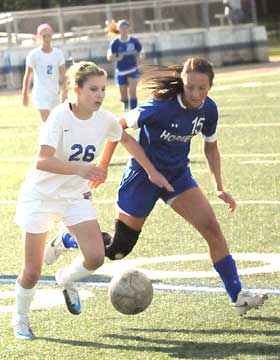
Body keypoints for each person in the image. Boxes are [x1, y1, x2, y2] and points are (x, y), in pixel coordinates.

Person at [44, 57, 268, 317]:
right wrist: (103, 166)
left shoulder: (209, 110)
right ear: (182, 83)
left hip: (177, 178)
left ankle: (237, 296)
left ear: (210, 87)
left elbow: (211, 146)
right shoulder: (159, 107)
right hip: (142, 178)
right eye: (190, 87)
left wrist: (219, 186)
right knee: (118, 250)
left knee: (212, 229)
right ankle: (68, 238)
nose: (195, 93)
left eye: (202, 88)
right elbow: (118, 127)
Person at [12, 61, 173, 341]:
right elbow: (42, 160)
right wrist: (81, 169)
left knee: (97, 257)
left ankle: (66, 279)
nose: (99, 95)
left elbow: (128, 140)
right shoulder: (60, 117)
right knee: (33, 269)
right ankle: (21, 319)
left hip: (74, 195)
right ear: (76, 89)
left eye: (103, 89)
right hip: (41, 196)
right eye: (93, 89)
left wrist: (151, 171)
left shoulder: (105, 119)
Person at [22, 23, 67, 122]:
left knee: (57, 123)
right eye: (44, 36)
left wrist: (65, 91)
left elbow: (64, 74)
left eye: (49, 35)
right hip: (40, 94)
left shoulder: (58, 54)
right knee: (47, 122)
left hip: (55, 93)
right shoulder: (34, 54)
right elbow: (27, 75)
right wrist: (25, 94)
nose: (46, 38)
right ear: (39, 37)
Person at [106, 19, 144, 112]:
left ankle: (133, 111)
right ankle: (126, 107)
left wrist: (139, 59)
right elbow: (109, 57)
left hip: (132, 69)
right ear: (118, 29)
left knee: (132, 91)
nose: (124, 30)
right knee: (123, 95)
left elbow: (142, 53)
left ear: (128, 28)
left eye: (126, 28)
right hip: (121, 71)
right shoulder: (115, 43)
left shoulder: (134, 41)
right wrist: (117, 58)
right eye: (122, 28)